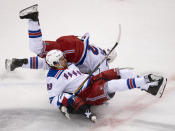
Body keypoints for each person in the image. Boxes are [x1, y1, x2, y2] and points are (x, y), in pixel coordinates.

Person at [45, 49, 167, 122]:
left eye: (63, 57)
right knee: (112, 85)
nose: (64, 59)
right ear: (54, 63)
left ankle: (149, 87)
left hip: (92, 80)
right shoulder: (53, 78)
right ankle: (144, 81)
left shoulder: (70, 64)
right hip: (87, 93)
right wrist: (68, 100)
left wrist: (104, 61)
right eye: (61, 59)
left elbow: (84, 69)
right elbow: (53, 99)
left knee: (122, 72)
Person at [5, 4, 117, 75]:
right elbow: (102, 81)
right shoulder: (103, 65)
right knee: (38, 49)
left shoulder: (98, 50)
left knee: (50, 61)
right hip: (73, 50)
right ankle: (33, 18)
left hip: (72, 46)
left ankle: (17, 62)